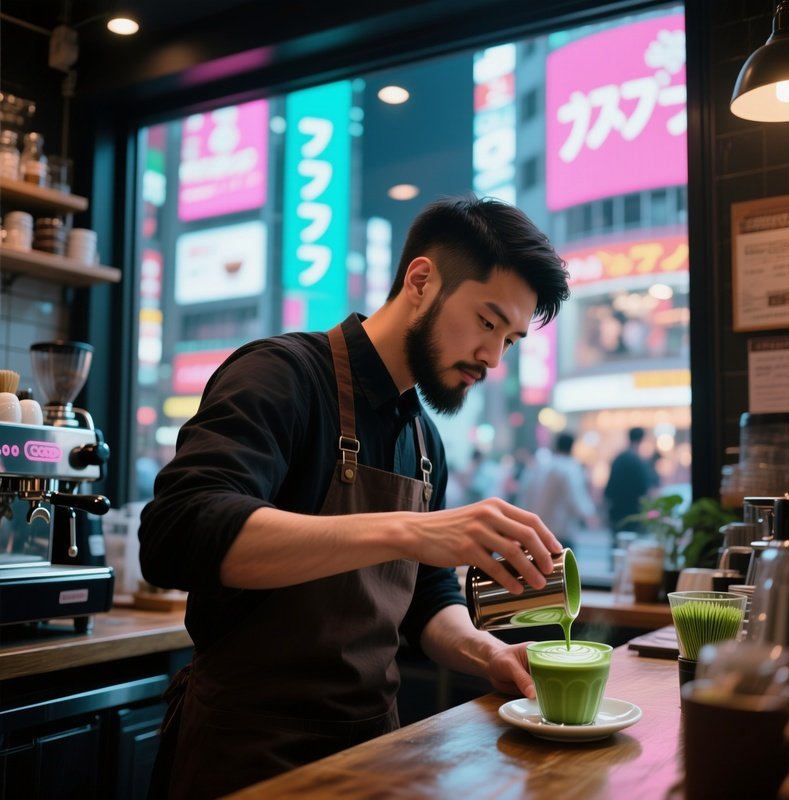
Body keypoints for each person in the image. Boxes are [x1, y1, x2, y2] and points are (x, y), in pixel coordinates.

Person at [138, 194, 571, 799]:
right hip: (244, 751)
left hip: (373, 751)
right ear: (421, 279)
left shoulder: (423, 440)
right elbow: (178, 534)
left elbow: (426, 596)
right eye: (487, 321)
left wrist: (487, 652)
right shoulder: (281, 375)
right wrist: (412, 530)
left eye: (512, 340)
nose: (493, 357)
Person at [522, 431, 599, 551]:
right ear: (572, 446)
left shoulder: (542, 465)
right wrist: (589, 515)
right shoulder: (568, 468)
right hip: (560, 532)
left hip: (537, 528)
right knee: (562, 567)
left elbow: (526, 493)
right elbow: (575, 498)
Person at [603, 426, 658, 535]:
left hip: (616, 510)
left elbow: (608, 489)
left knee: (617, 544)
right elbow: (646, 489)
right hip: (634, 512)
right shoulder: (640, 462)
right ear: (642, 439)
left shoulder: (619, 459)